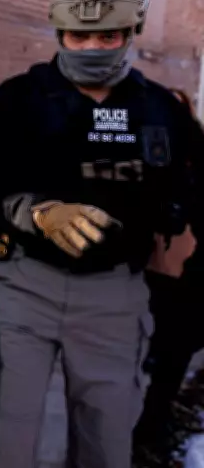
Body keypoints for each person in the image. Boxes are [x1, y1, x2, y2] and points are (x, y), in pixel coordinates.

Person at [0, 0, 203, 468]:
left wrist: (172, 226)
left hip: (116, 295)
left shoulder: (162, 110)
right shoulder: (15, 100)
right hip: (25, 284)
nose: (92, 46)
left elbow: (189, 191)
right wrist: (36, 212)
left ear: (130, 34)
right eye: (79, 35)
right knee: (4, 437)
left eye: (107, 36)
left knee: (105, 440)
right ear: (59, 33)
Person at [132, 86, 204, 466]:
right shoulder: (154, 144)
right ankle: (149, 427)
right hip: (161, 270)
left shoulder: (188, 151)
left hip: (180, 272)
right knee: (166, 351)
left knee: (171, 351)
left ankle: (151, 426)